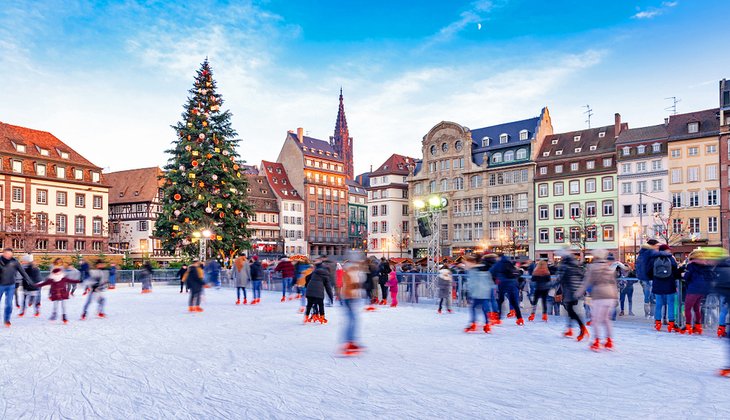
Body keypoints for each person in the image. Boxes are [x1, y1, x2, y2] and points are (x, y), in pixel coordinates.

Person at [576, 250, 617, 351]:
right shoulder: (608, 266)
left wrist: (578, 293)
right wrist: (615, 297)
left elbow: (587, 282)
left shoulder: (592, 267)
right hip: (610, 296)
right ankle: (609, 341)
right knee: (606, 319)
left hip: (600, 296)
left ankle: (596, 342)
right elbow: (613, 283)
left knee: (596, 320)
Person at [557, 249, 589, 341]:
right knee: (570, 310)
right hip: (576, 292)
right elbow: (582, 277)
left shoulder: (566, 267)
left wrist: (551, 286)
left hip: (570, 292)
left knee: (571, 311)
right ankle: (570, 329)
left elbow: (561, 280)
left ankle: (582, 328)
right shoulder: (576, 267)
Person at [681, 250, 714, 335]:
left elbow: (687, 277)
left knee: (687, 308)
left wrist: (683, 275)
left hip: (693, 289)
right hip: (702, 290)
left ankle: (688, 326)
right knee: (696, 309)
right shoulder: (705, 265)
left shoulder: (691, 265)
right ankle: (698, 326)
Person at [340, 250, 365, 356]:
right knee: (352, 320)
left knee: (352, 320)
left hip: (351, 296)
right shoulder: (352, 268)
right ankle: (349, 342)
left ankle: (350, 341)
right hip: (349, 297)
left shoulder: (351, 268)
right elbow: (352, 283)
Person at [649, 244, 679, 332]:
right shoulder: (671, 258)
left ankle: (658, 323)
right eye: (668, 250)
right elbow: (675, 270)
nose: (669, 251)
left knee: (658, 304)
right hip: (669, 284)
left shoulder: (654, 259)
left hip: (657, 285)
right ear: (665, 250)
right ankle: (671, 323)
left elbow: (649, 271)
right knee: (670, 304)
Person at [0, 248, 32, 327]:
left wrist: (29, 281)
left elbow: (22, 272)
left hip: (10, 285)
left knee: (9, 304)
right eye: (6, 253)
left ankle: (7, 320)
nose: (8, 255)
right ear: (3, 253)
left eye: (10, 254)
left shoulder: (15, 262)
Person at [490, 253, 524, 325]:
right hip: (513, 283)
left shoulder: (498, 263)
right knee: (514, 302)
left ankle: (498, 318)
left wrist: (495, 279)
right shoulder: (509, 262)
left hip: (503, 283)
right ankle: (520, 318)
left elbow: (491, 272)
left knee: (500, 300)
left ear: (499, 257)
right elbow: (515, 272)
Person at [463, 255, 494, 333]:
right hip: (485, 293)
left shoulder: (473, 270)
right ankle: (487, 325)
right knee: (485, 309)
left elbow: (471, 282)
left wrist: (468, 292)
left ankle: (473, 323)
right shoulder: (487, 270)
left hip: (476, 293)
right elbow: (490, 282)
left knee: (473, 308)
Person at [304, 257, 334, 323]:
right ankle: (322, 318)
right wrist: (331, 297)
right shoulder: (326, 276)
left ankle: (306, 317)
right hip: (319, 292)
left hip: (310, 290)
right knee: (320, 304)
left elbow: (307, 277)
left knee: (309, 304)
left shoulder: (315, 271)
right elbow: (328, 288)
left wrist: (307, 285)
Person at [637, 239, 660, 318]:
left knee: (647, 297)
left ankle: (647, 315)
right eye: (657, 246)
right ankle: (651, 315)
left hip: (643, 277)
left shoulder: (642, 252)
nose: (657, 247)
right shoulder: (651, 252)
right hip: (649, 277)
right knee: (652, 297)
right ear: (652, 245)